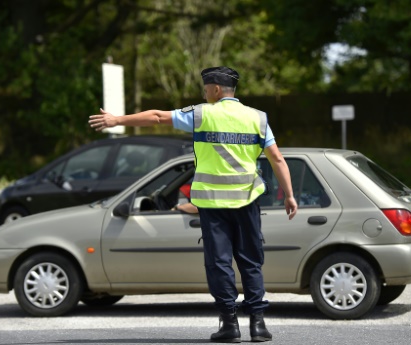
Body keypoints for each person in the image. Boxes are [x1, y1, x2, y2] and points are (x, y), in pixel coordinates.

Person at [89, 66, 298, 343]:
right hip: (248, 202)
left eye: (204, 89)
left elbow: (157, 116)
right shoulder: (257, 118)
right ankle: (258, 325)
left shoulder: (201, 114)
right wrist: (290, 195)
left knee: (219, 263)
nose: (203, 93)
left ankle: (229, 325)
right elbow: (278, 159)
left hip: (212, 203)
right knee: (250, 261)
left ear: (214, 89)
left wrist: (118, 120)